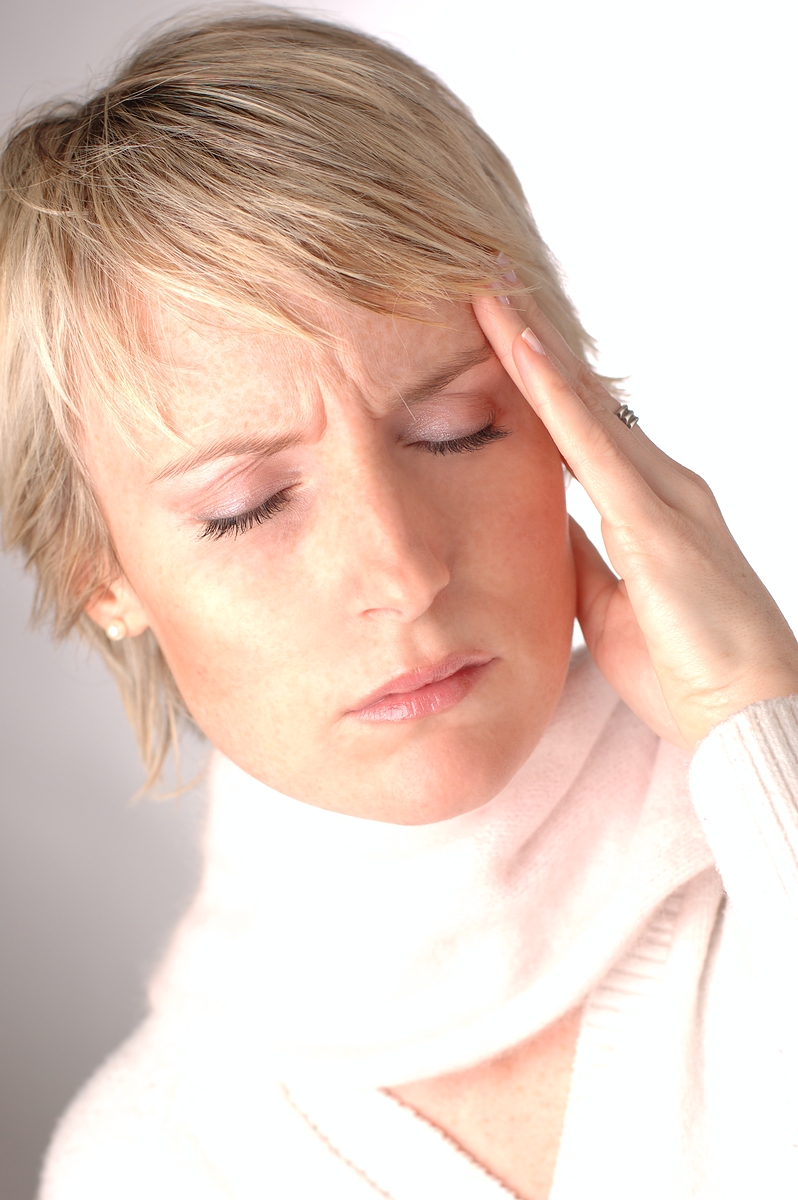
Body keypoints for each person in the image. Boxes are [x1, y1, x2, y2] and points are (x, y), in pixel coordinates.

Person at [2, 9, 797, 1199]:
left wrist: (760, 709)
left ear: (567, 416)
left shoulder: (764, 879)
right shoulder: (141, 1162)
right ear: (98, 575)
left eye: (455, 429)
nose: (404, 570)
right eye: (248, 504)